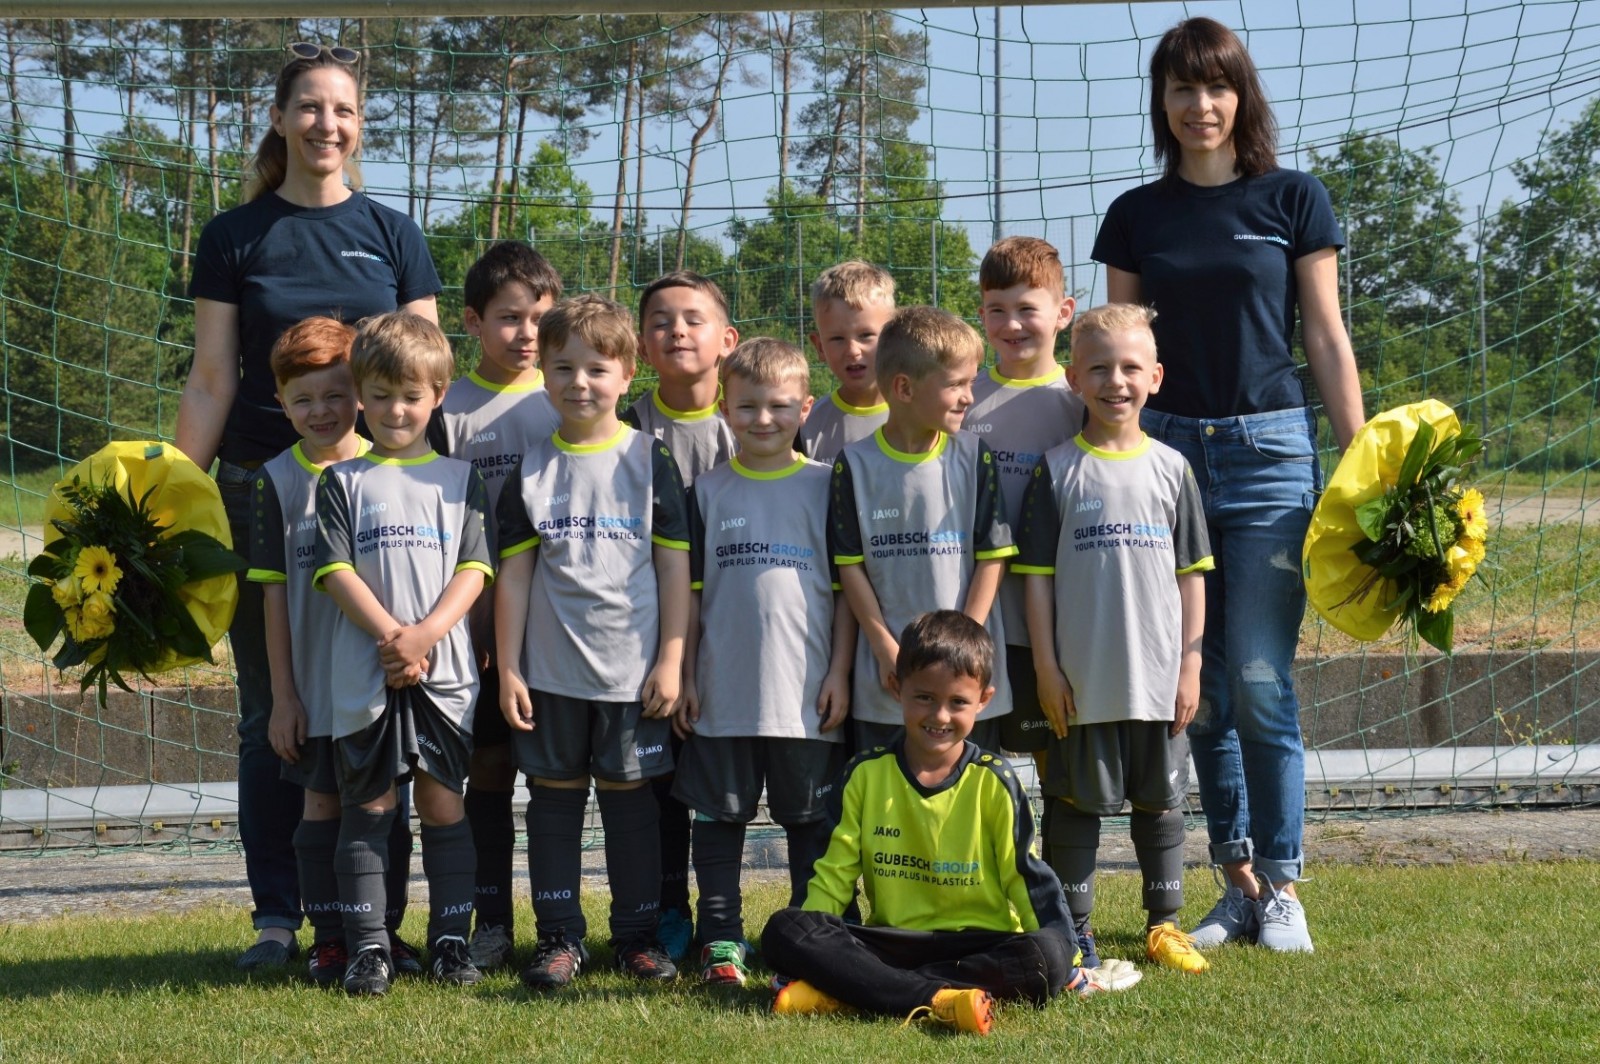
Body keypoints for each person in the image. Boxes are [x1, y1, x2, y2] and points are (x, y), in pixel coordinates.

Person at [1093, 16, 1365, 951]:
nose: (1199, 104)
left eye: (1216, 86)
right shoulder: (1136, 215)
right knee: (1199, 689)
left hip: (1269, 455)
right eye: (1181, 88)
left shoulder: (1294, 198)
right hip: (1164, 459)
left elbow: (1324, 334)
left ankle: (1284, 883)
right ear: (1161, 102)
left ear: (1241, 97)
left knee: (1258, 677)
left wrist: (1361, 458)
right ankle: (1237, 882)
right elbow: (1120, 354)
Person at [179, 41, 439, 971]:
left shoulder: (395, 235)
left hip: (379, 497)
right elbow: (213, 379)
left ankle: (370, 918)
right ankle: (278, 918)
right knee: (273, 714)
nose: (328, 124)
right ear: (281, 117)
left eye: (345, 110)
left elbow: (426, 376)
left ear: (359, 126)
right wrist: (170, 501)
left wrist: (431, 491)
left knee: (373, 704)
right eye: (311, 107)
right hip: (261, 489)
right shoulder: (234, 235)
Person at [761, 611, 1137, 1036]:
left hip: (979, 945)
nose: (940, 716)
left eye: (957, 702)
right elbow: (832, 878)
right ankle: (937, 997)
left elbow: (1027, 879)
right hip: (893, 942)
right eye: (924, 697)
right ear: (896, 687)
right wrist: (808, 944)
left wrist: (1069, 962)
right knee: (785, 929)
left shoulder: (995, 781)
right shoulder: (864, 775)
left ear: (984, 700)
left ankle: (857, 989)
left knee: (1047, 955)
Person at [495, 294, 690, 990]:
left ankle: (637, 937)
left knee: (631, 803)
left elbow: (674, 568)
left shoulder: (649, 459)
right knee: (553, 802)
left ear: (628, 373)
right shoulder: (529, 470)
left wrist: (672, 659)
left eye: (597, 369)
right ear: (543, 374)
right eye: (563, 368)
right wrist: (509, 668)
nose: (579, 383)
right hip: (551, 677)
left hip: (632, 676)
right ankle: (558, 938)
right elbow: (515, 578)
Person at [1016, 304, 1214, 975]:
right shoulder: (1054, 470)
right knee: (1074, 805)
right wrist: (1047, 667)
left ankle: (1164, 925)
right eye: (1099, 368)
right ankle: (1076, 930)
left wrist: (1190, 666)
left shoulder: (1172, 469)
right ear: (1073, 378)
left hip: (1159, 680)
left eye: (1131, 367)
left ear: (1155, 377)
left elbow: (1192, 578)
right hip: (1082, 680)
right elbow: (1036, 582)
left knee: (1161, 804)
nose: (1116, 381)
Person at [313, 311, 494, 996]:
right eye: (381, 395)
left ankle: (450, 941)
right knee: (369, 809)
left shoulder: (460, 480)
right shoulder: (341, 481)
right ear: (360, 395)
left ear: (438, 394)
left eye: (411, 396)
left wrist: (425, 636)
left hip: (442, 673)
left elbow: (475, 569)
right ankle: (369, 947)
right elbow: (336, 572)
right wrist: (394, 636)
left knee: (444, 805)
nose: (396, 409)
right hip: (365, 673)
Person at [672, 338, 852, 987]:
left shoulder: (827, 486)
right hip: (724, 691)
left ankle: (812, 935)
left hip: (806, 692)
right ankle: (720, 937)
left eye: (779, 406)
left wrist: (840, 672)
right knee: (719, 818)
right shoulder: (706, 491)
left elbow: (848, 591)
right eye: (747, 406)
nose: (763, 419)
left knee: (811, 822)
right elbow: (691, 596)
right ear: (724, 408)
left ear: (806, 408)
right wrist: (686, 674)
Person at [432, 240, 563, 972]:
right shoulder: (445, 410)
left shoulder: (569, 396)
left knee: (553, 776)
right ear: (473, 322)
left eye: (540, 317)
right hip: (474, 628)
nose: (526, 334)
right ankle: (491, 922)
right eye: (510, 318)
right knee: (486, 769)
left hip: (560, 629)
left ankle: (560, 927)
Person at [829, 306, 1015, 753]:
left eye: (970, 383)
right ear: (904, 388)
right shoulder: (854, 464)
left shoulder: (974, 455)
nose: (968, 397)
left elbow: (992, 557)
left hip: (966, 677)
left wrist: (964, 647)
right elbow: (849, 566)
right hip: (889, 679)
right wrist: (883, 648)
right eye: (955, 385)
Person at [623, 270, 739, 962]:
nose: (677, 331)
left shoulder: (754, 421)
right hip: (653, 642)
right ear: (642, 346)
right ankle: (669, 910)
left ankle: (732, 922)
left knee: (726, 785)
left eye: (694, 319)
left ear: (727, 339)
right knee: (659, 785)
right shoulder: (624, 429)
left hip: (736, 639)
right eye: (661, 321)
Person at [247, 317, 367, 986]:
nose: (321, 411)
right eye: (303, 399)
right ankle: (328, 938)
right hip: (313, 688)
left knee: (379, 811)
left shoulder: (389, 465)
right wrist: (284, 697)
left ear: (361, 392)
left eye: (335, 394)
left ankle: (379, 933)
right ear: (281, 402)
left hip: (380, 680)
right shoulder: (273, 480)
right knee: (319, 811)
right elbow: (274, 599)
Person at [964, 236, 1085, 760]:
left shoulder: (1083, 400)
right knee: (975, 757)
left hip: (1059, 618)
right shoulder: (963, 397)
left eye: (1027, 309)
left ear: (1063, 313)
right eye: (997, 310)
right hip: (981, 616)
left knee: (1056, 756)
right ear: (981, 315)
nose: (1011, 324)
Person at [800, 261, 895, 462]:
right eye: (837, 339)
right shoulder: (807, 427)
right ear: (819, 347)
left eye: (866, 335)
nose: (852, 351)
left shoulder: (924, 415)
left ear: (893, 336)